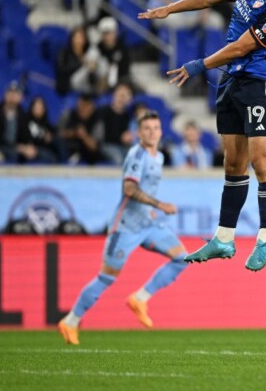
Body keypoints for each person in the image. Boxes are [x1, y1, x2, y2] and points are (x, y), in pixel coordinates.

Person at [138, 0, 266, 271]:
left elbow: (243, 46)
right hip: (229, 82)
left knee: (261, 161)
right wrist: (169, 9)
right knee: (232, 164)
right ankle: (224, 239)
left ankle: (264, 240)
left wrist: (200, 65)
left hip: (256, 83)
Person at [57, 111, 186, 345]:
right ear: (138, 133)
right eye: (146, 128)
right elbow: (129, 189)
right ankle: (71, 321)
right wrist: (160, 204)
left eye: (156, 128)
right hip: (125, 227)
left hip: (147, 224)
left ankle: (140, 298)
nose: (152, 132)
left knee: (182, 258)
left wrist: (152, 210)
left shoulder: (158, 157)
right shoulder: (137, 156)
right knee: (106, 278)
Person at [0, 81, 36, 164]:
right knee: (13, 154)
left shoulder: (23, 115)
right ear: (5, 95)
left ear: (21, 97)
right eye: (10, 93)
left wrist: (29, 146)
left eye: (16, 94)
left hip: (18, 147)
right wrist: (18, 148)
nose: (12, 97)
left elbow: (27, 136)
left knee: (43, 155)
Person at [55, 26, 109, 96]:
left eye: (82, 37)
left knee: (98, 57)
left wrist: (90, 65)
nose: (79, 40)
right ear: (72, 39)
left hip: (89, 82)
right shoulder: (64, 53)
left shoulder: (87, 53)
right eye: (77, 37)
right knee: (89, 63)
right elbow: (63, 69)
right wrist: (81, 63)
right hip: (73, 84)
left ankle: (101, 85)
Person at [58, 93, 101, 165]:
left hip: (88, 155)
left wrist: (84, 136)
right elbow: (58, 134)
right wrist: (73, 133)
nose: (83, 109)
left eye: (86, 106)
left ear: (92, 107)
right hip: (68, 149)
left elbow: (94, 147)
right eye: (81, 105)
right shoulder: (68, 115)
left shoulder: (97, 120)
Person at [98, 82, 134, 165]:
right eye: (120, 95)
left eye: (124, 96)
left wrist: (128, 137)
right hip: (106, 144)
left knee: (135, 155)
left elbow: (127, 135)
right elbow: (102, 136)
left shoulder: (127, 115)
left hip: (122, 145)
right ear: (114, 95)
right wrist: (121, 137)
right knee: (118, 158)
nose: (121, 98)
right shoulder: (104, 112)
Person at [96, 17, 132, 90]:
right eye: (104, 34)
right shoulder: (97, 48)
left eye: (109, 33)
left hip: (120, 80)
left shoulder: (122, 48)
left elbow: (125, 69)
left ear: (115, 33)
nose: (107, 37)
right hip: (100, 81)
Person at [27, 95, 59, 163]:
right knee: (50, 156)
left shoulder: (46, 123)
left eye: (41, 107)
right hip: (33, 148)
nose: (39, 109)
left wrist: (50, 137)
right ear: (32, 108)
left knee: (58, 142)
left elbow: (53, 133)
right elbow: (30, 137)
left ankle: (67, 162)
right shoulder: (27, 122)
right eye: (36, 107)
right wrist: (44, 138)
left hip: (45, 148)